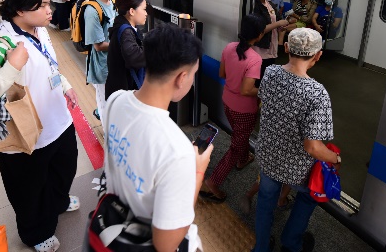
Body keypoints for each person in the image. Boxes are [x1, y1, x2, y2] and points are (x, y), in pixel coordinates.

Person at [0, 0, 80, 252]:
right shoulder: (1, 43)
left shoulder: (38, 29)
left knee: (63, 169)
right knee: (29, 188)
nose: (49, 9)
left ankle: (57, 201)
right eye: (41, 5)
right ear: (19, 10)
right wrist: (11, 66)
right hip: (27, 132)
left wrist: (65, 85)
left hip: (58, 120)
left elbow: (47, 64)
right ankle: (35, 233)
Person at [102, 25, 211, 252]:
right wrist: (197, 172)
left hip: (113, 225)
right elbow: (166, 244)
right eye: (193, 74)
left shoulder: (115, 100)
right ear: (182, 78)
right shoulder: (177, 151)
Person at [254, 28, 340, 252]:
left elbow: (264, 102)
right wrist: (335, 158)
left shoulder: (271, 72)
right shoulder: (317, 94)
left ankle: (261, 247)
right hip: (297, 168)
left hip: (268, 154)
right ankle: (291, 242)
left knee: (265, 199)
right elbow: (312, 147)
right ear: (318, 55)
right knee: (308, 198)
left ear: (286, 48)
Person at [201, 14, 266, 202]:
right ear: (260, 35)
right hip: (244, 110)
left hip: (227, 102)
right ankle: (213, 183)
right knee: (236, 145)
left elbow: (222, 73)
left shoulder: (229, 47)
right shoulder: (255, 59)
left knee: (240, 136)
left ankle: (243, 159)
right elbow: (247, 90)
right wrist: (264, 90)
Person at [85, 0, 121, 122]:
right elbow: (98, 46)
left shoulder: (113, 3)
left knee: (115, 102)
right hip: (102, 67)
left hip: (114, 62)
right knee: (105, 104)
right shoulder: (93, 11)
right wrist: (122, 45)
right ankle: (109, 137)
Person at [105, 0, 147, 99]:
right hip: (124, 92)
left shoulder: (123, 25)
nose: (146, 13)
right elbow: (134, 58)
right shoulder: (126, 32)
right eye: (144, 9)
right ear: (132, 11)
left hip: (118, 90)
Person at [251, 0, 292, 79]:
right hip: (260, 49)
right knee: (259, 77)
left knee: (267, 76)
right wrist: (277, 24)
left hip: (271, 46)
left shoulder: (270, 4)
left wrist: (281, 26)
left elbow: (276, 20)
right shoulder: (254, 5)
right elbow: (259, 29)